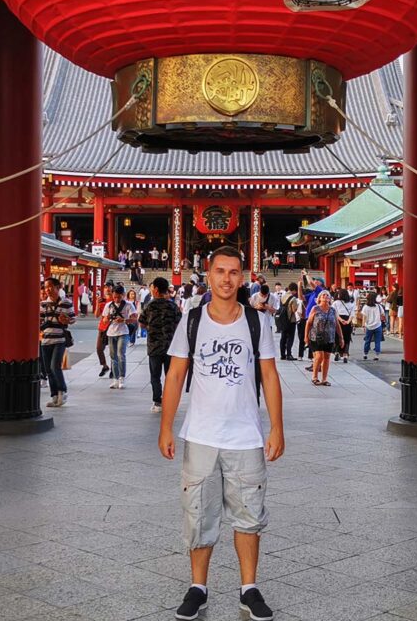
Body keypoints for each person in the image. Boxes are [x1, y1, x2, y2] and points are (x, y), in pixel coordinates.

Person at [158, 246, 283, 621]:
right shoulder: (192, 321)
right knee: (198, 514)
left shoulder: (257, 322)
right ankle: (198, 586)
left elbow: (270, 375)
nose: (226, 278)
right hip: (201, 435)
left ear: (242, 277)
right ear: (208, 276)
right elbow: (176, 374)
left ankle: (249, 587)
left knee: (249, 515)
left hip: (245, 435)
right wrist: (167, 426)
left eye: (233, 272)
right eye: (220, 271)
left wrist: (276, 427)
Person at [141, 277, 182, 413]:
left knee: (155, 376)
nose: (151, 290)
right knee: (170, 376)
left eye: (152, 288)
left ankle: (157, 402)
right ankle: (170, 401)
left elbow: (141, 323)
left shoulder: (149, 306)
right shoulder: (173, 306)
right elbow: (179, 323)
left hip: (154, 347)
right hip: (171, 346)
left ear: (156, 290)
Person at [39, 277, 73, 408]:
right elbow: (40, 322)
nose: (47, 289)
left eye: (50, 286)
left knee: (55, 367)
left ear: (58, 287)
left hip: (60, 339)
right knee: (48, 370)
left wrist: (66, 320)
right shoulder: (43, 304)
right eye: (45, 287)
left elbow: (72, 318)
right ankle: (54, 396)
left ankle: (62, 391)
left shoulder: (66, 302)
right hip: (46, 339)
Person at [305, 291, 339, 386]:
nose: (325, 296)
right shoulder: (315, 309)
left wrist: (341, 337)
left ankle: (324, 379)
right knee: (319, 356)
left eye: (327, 295)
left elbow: (337, 324)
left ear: (330, 299)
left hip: (329, 337)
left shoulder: (332, 310)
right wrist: (305, 337)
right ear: (319, 298)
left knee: (327, 357)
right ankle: (314, 377)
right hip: (316, 336)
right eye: (323, 295)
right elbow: (308, 323)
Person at [104, 285, 135, 389]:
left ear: (123, 295)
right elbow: (104, 319)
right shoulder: (109, 305)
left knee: (121, 354)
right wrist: (108, 318)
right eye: (115, 296)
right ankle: (115, 379)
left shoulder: (129, 305)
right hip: (111, 333)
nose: (116, 299)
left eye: (119, 297)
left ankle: (122, 378)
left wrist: (124, 320)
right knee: (113, 357)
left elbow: (134, 319)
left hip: (123, 332)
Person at [331, 289, 354, 363]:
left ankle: (337, 352)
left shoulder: (336, 303)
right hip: (348, 321)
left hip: (339, 321)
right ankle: (345, 354)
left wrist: (341, 320)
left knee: (338, 337)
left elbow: (335, 313)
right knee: (347, 338)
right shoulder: (351, 304)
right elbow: (352, 314)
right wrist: (348, 321)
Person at [360, 291, 384, 361]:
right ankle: (377, 355)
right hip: (378, 325)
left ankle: (365, 354)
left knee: (367, 340)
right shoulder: (379, 306)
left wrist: (363, 326)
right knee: (377, 341)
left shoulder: (365, 307)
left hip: (369, 326)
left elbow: (364, 317)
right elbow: (382, 315)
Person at [97, 282, 114, 377]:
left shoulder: (114, 299)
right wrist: (97, 303)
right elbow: (96, 315)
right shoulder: (102, 300)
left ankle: (113, 368)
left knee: (112, 350)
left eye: (109, 287)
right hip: (102, 328)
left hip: (112, 327)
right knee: (99, 348)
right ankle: (104, 365)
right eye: (105, 287)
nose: (107, 289)